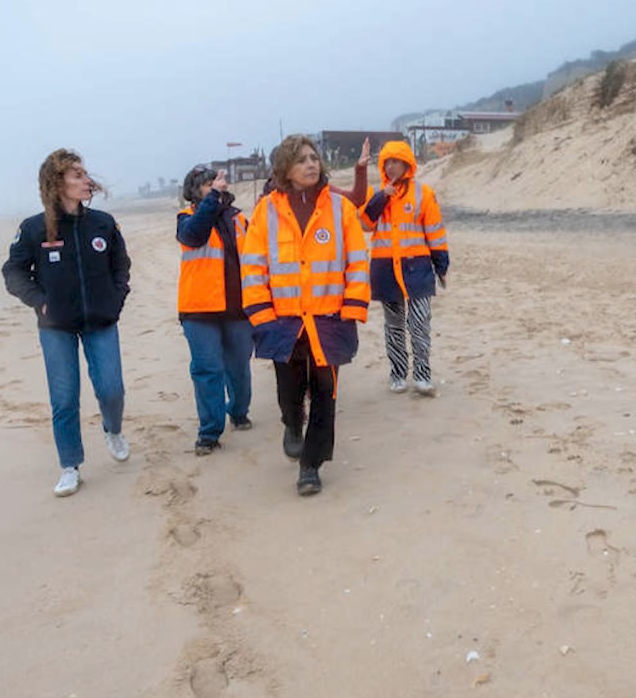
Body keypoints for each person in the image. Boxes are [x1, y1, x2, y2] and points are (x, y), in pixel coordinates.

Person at [242, 134, 370, 496]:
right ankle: (291, 423)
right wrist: (261, 314)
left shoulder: (339, 209)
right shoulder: (265, 211)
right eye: (301, 160)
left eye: (314, 158)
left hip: (330, 320)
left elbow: (357, 262)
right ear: (285, 169)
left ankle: (310, 466)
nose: (311, 164)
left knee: (326, 392)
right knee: (290, 390)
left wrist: (353, 308)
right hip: (283, 323)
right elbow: (253, 267)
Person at [3, 149, 131, 497]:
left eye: (84, 173)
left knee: (111, 389)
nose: (86, 180)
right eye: (76, 175)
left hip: (101, 320)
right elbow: (13, 272)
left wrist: (116, 299)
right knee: (64, 398)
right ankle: (70, 466)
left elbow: (121, 265)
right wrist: (39, 301)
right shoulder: (33, 228)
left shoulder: (103, 223)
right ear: (57, 182)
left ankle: (113, 429)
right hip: (56, 326)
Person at [360, 140, 449, 396]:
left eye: (397, 161)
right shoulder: (375, 194)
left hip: (417, 269)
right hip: (386, 270)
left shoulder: (423, 193)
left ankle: (422, 375)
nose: (392, 166)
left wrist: (441, 264)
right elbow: (365, 223)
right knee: (394, 326)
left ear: (407, 164)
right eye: (387, 162)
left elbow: (435, 231)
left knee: (420, 324)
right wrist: (381, 197)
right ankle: (398, 373)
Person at [177, 165, 253, 456]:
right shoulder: (186, 219)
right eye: (207, 184)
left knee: (238, 367)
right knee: (207, 369)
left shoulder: (240, 219)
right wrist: (213, 200)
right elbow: (194, 236)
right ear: (195, 192)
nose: (213, 186)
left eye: (215, 182)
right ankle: (209, 432)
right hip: (199, 310)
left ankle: (238, 410)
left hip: (238, 307)